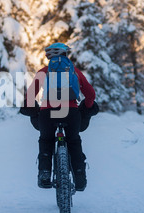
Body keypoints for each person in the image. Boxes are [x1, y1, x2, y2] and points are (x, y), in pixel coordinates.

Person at [24, 42, 96, 191]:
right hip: (71, 112)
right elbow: (90, 94)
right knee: (74, 141)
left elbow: (30, 96)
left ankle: (45, 173)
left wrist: (32, 108)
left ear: (49, 57)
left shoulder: (43, 72)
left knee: (46, 140)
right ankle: (80, 176)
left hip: (47, 114)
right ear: (65, 55)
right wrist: (87, 107)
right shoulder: (75, 72)